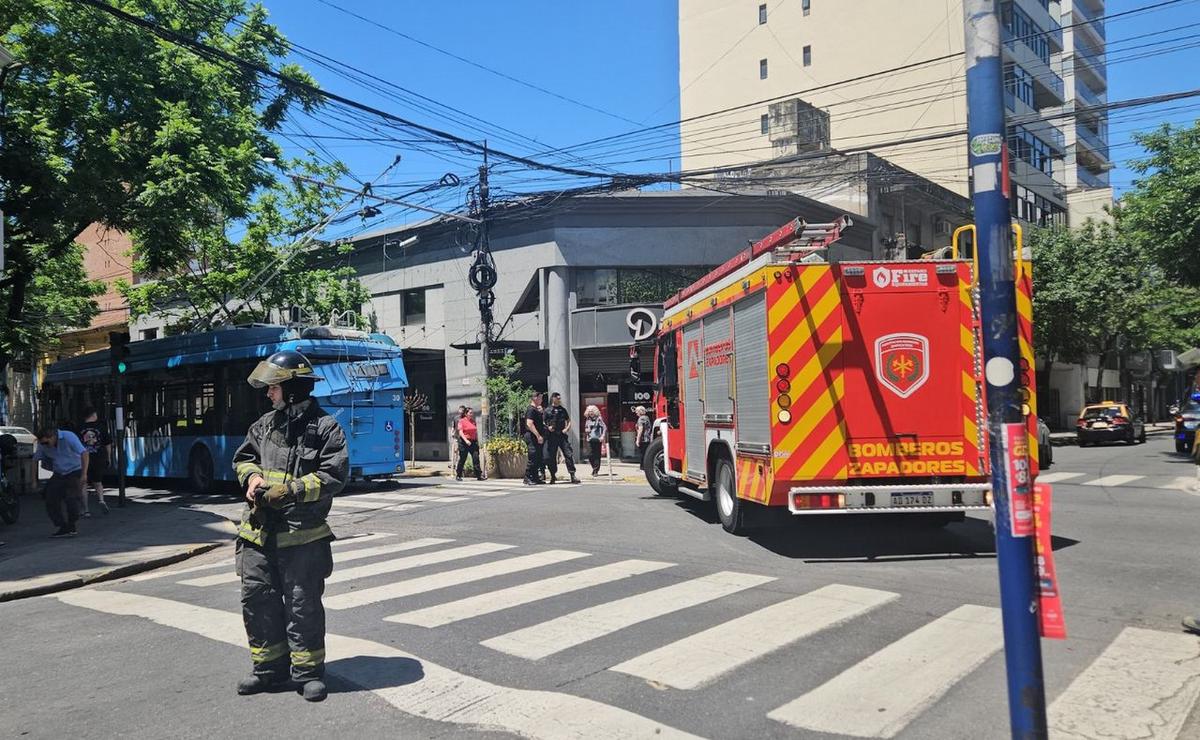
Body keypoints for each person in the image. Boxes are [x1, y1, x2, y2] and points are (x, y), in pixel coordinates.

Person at [232, 350, 348, 703]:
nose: (268, 393)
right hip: (258, 533)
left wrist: (293, 489)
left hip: (303, 537)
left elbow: (334, 475)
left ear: (293, 389)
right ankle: (268, 670)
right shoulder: (264, 425)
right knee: (258, 601)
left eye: (274, 387)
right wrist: (251, 478)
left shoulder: (326, 428)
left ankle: (309, 673)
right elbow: (243, 458)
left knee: (302, 606)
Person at [33, 424, 88, 538]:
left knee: (71, 498)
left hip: (74, 470)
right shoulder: (43, 445)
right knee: (50, 498)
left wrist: (84, 474)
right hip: (59, 472)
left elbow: (84, 453)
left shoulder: (68, 437)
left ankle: (72, 524)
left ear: (53, 437)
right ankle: (62, 525)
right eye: (42, 443)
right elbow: (35, 460)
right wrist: (34, 480)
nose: (45, 445)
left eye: (46, 443)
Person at [77, 406, 111, 516]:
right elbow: (107, 444)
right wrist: (108, 457)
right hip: (98, 457)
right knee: (98, 482)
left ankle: (86, 510)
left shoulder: (78, 427)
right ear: (93, 415)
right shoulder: (101, 427)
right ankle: (101, 500)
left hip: (83, 458)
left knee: (83, 483)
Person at [543, 392, 580, 484]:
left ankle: (572, 475)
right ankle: (553, 476)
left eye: (560, 398)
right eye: (558, 398)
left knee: (568, 454)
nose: (559, 400)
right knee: (551, 457)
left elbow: (568, 420)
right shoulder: (547, 410)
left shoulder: (562, 410)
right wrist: (548, 428)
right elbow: (543, 422)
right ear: (553, 399)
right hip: (552, 436)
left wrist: (566, 428)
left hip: (562, 435)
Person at [522, 391, 547, 485]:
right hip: (532, 436)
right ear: (535, 398)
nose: (541, 400)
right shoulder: (531, 409)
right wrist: (538, 436)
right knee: (533, 457)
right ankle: (527, 477)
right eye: (540, 398)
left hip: (537, 437)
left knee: (538, 458)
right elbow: (529, 424)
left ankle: (535, 477)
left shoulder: (536, 409)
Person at [455, 407, 484, 481]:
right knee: (462, 458)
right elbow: (460, 432)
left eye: (472, 413)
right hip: (464, 442)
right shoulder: (461, 421)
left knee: (476, 458)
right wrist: (466, 440)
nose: (472, 414)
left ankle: (478, 475)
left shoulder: (473, 421)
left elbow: (475, 432)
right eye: (470, 413)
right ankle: (458, 475)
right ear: (466, 413)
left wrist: (477, 441)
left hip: (473, 442)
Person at [583, 405, 607, 477]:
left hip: (597, 438)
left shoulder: (599, 419)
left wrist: (602, 436)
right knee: (590, 455)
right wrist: (587, 431)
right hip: (590, 438)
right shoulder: (588, 419)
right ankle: (594, 467)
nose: (591, 413)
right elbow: (586, 428)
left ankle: (596, 470)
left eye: (592, 411)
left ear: (595, 412)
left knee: (597, 455)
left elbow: (604, 427)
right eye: (589, 411)